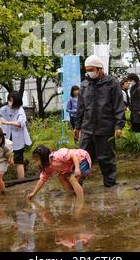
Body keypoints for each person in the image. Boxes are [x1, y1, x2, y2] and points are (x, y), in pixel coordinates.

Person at [74, 55, 125, 187]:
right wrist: (77, 126)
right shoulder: (84, 85)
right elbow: (80, 108)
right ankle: (76, 184)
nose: (89, 72)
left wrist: (119, 126)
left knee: (106, 158)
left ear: (99, 69)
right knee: (82, 157)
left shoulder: (112, 84)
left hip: (105, 128)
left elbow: (118, 106)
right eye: (87, 69)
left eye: (91, 69)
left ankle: (110, 184)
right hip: (87, 128)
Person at [27, 145, 92, 201]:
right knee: (61, 176)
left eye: (37, 160)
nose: (36, 163)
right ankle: (72, 193)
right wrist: (33, 193)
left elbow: (73, 155)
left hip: (81, 159)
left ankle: (81, 201)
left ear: (44, 158)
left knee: (73, 179)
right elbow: (42, 180)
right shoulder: (48, 167)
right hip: (71, 165)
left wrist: (77, 168)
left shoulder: (57, 156)